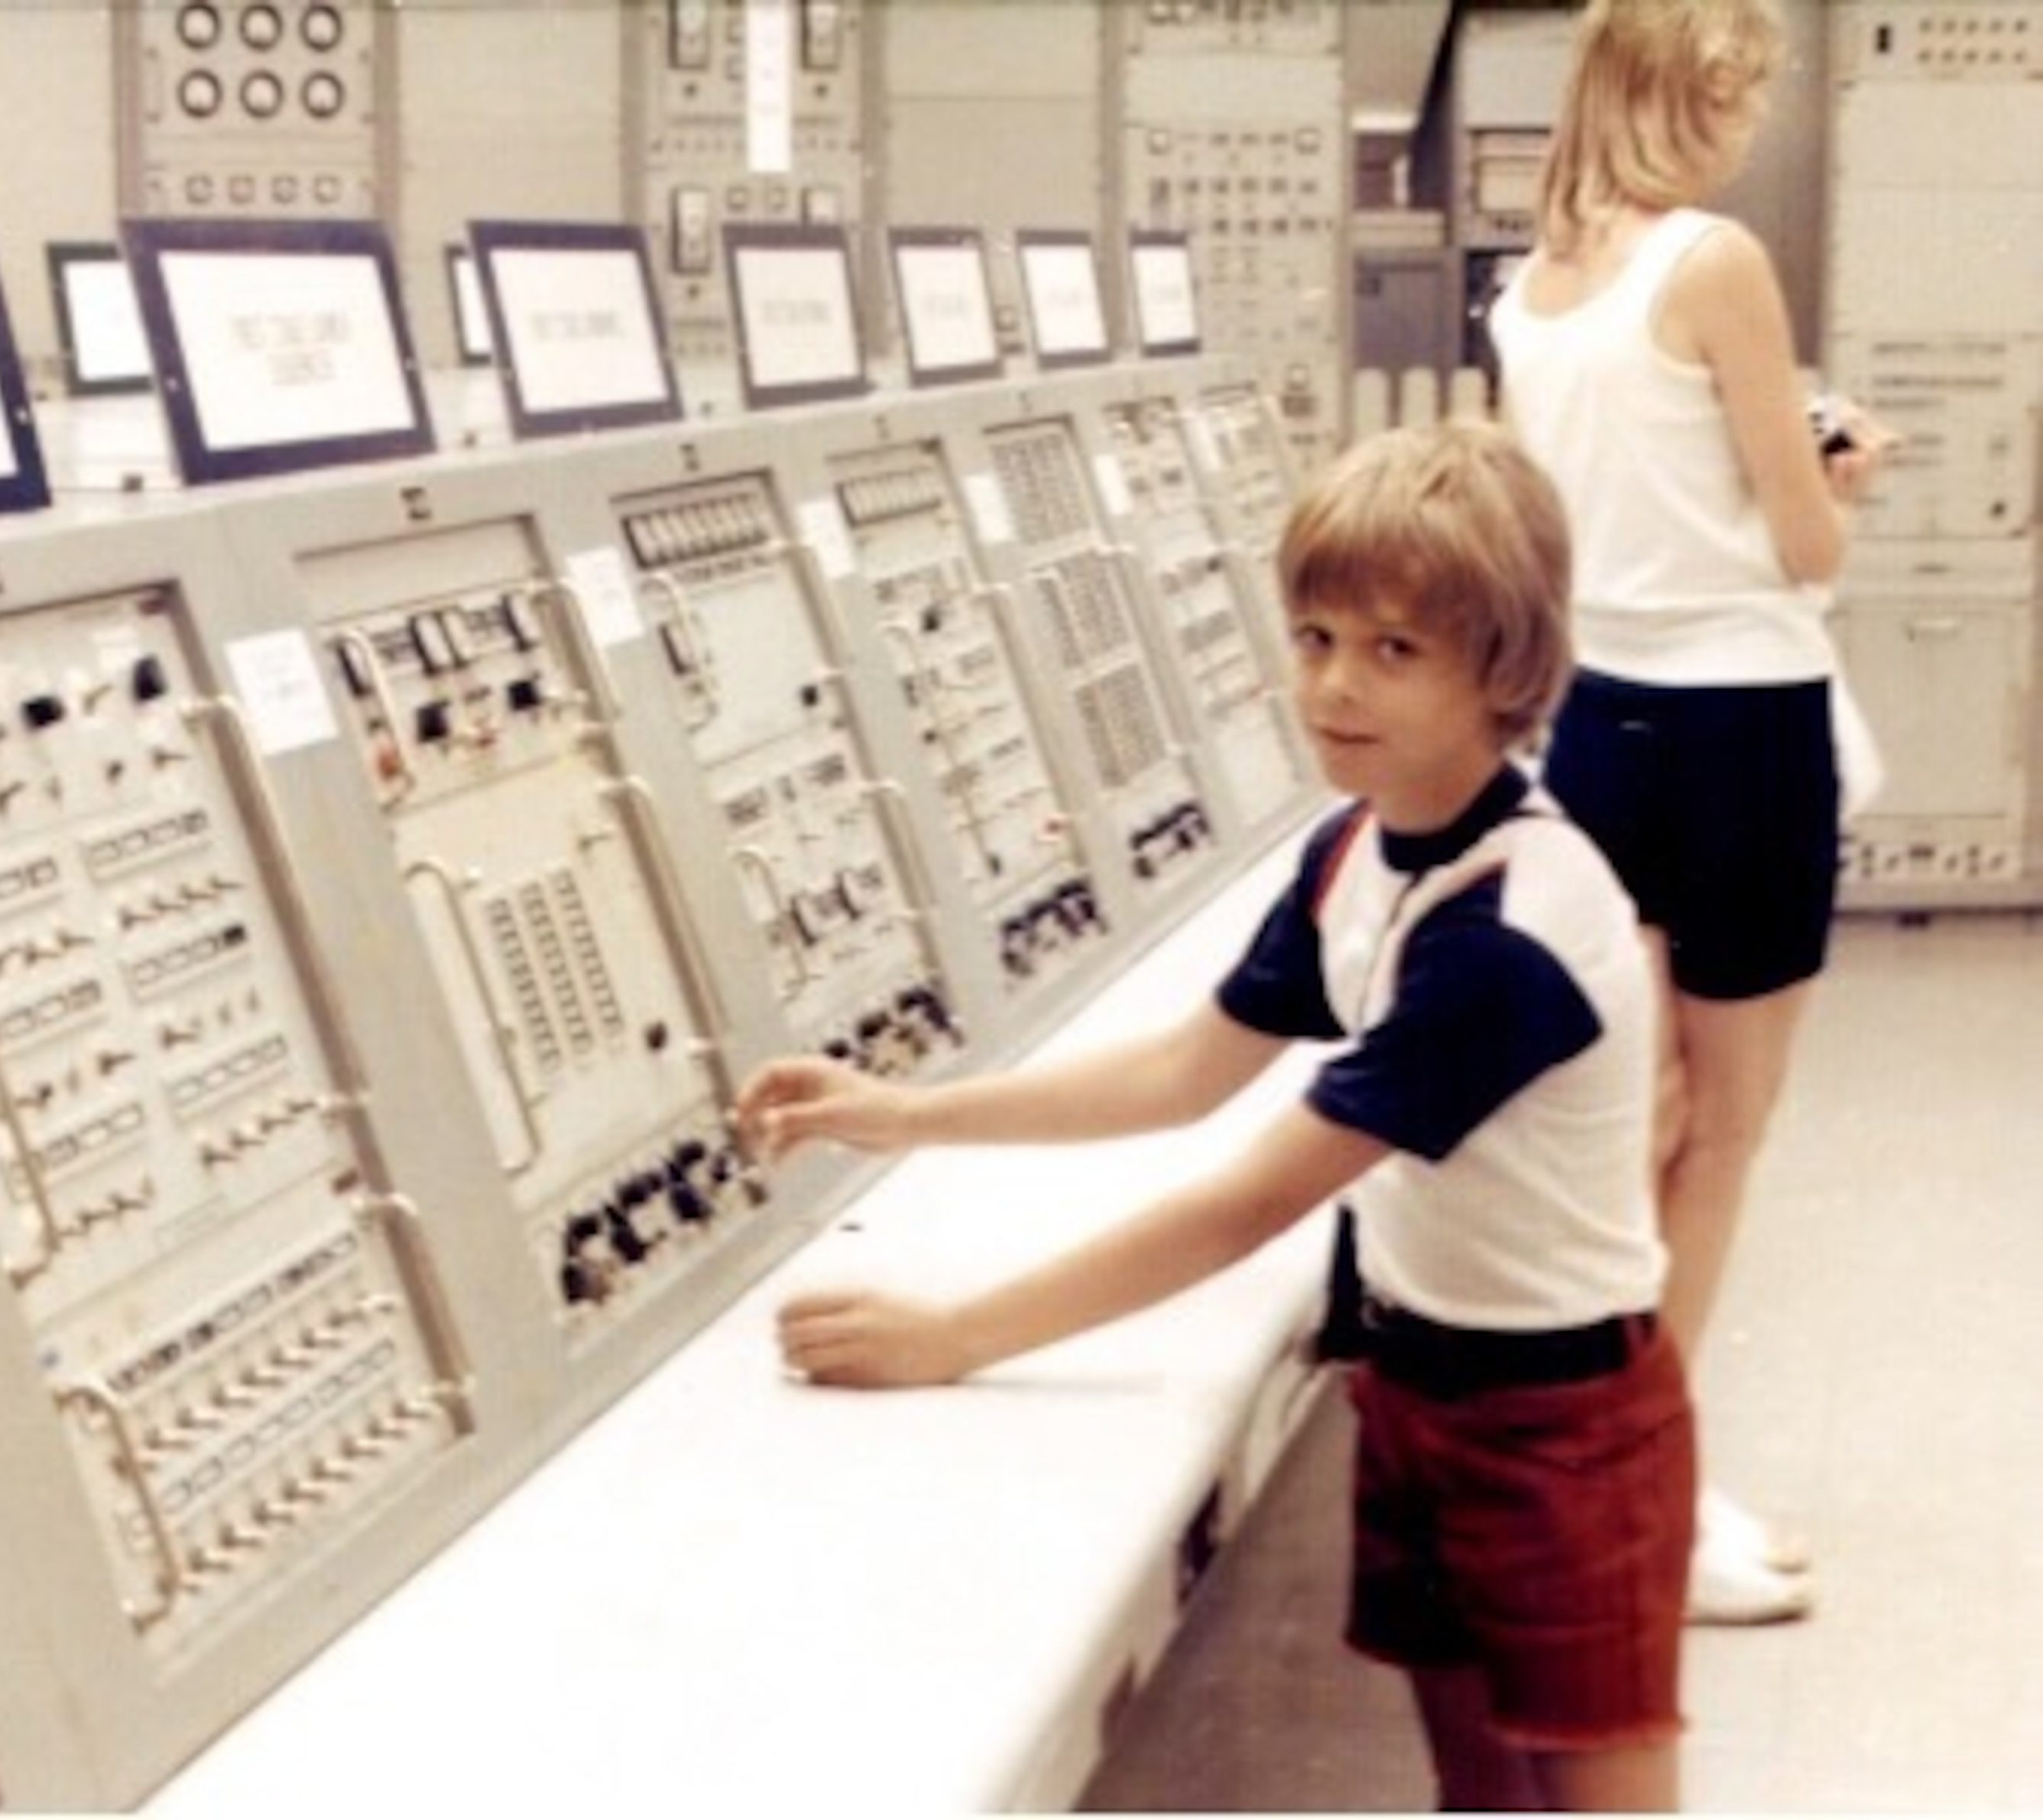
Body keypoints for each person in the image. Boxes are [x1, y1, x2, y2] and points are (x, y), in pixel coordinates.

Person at [737, 423, 1695, 1812]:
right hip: (1420, 1386)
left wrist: (958, 1334)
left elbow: (1250, 1199)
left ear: (1507, 669)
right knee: (1480, 1797)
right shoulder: (1357, 847)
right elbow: (1186, 1069)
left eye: (1393, 650)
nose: (1332, 686)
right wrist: (911, 1112)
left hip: (1565, 1420)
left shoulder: (1505, 930)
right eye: (1313, 636)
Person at [1489, 0, 1890, 1626]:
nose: (1743, 124)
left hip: (1597, 731)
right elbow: (1804, 547)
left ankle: (1622, 1462)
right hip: (1740, 732)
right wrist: (1839, 471)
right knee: (1722, 1134)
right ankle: (1644, 1493)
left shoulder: (1532, 289)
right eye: (1737, 92)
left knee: (1630, 1126)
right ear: (1688, 92)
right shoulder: (1714, 260)